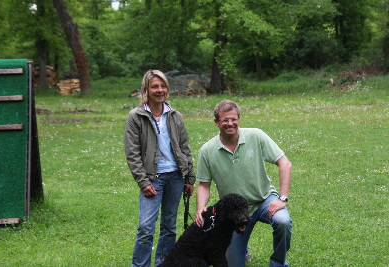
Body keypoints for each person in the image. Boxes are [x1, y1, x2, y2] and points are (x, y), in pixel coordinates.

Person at [195, 99, 292, 267]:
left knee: (283, 221)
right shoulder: (207, 150)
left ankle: (278, 263)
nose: (230, 123)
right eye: (225, 120)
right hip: (234, 212)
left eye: (234, 119)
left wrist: (282, 198)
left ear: (239, 118)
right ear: (216, 122)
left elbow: (285, 163)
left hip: (264, 200)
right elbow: (204, 185)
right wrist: (200, 208)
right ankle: (242, 248)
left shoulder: (256, 135)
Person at [124, 70, 196, 267]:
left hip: (175, 176)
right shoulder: (135, 116)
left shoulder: (175, 116)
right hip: (152, 179)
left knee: (169, 227)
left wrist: (189, 178)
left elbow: (184, 148)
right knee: (146, 228)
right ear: (146, 89)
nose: (160, 90)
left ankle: (164, 264)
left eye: (163, 86)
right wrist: (143, 181)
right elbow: (132, 153)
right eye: (155, 86)